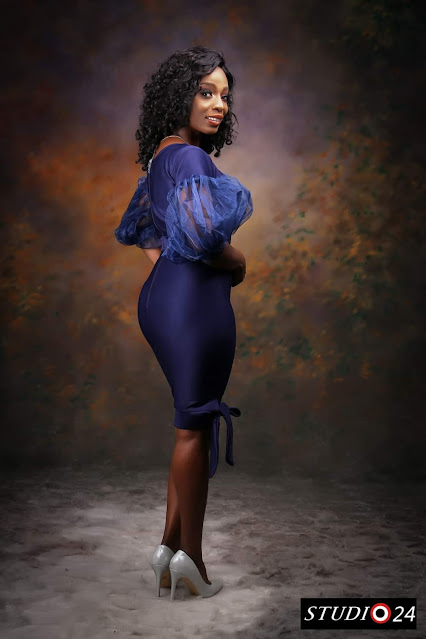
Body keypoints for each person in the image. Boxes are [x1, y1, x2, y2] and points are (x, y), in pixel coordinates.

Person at [114, 46, 253, 599]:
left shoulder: (163, 157)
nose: (219, 105)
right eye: (205, 92)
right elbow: (200, 241)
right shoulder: (190, 159)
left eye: (224, 96)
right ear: (179, 96)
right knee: (194, 424)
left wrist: (170, 276)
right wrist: (237, 262)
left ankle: (168, 548)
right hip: (193, 306)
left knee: (188, 425)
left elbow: (148, 233)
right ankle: (191, 560)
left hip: (163, 301)